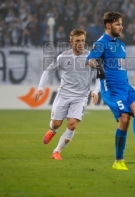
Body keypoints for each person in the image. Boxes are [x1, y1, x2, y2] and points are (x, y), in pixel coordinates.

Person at [86, 11, 135, 170]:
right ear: (108, 25)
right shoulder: (101, 43)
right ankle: (118, 160)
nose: (121, 27)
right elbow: (90, 60)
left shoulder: (121, 45)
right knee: (124, 118)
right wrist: (98, 67)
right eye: (118, 24)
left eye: (121, 24)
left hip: (126, 87)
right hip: (112, 89)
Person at [33, 29, 100, 160]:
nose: (80, 43)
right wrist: (40, 88)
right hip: (63, 95)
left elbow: (100, 77)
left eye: (82, 41)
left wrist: (95, 91)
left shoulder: (91, 58)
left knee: (72, 124)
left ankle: (56, 151)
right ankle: (53, 130)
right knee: (56, 124)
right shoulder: (63, 57)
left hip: (80, 97)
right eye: (77, 41)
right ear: (71, 42)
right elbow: (48, 71)